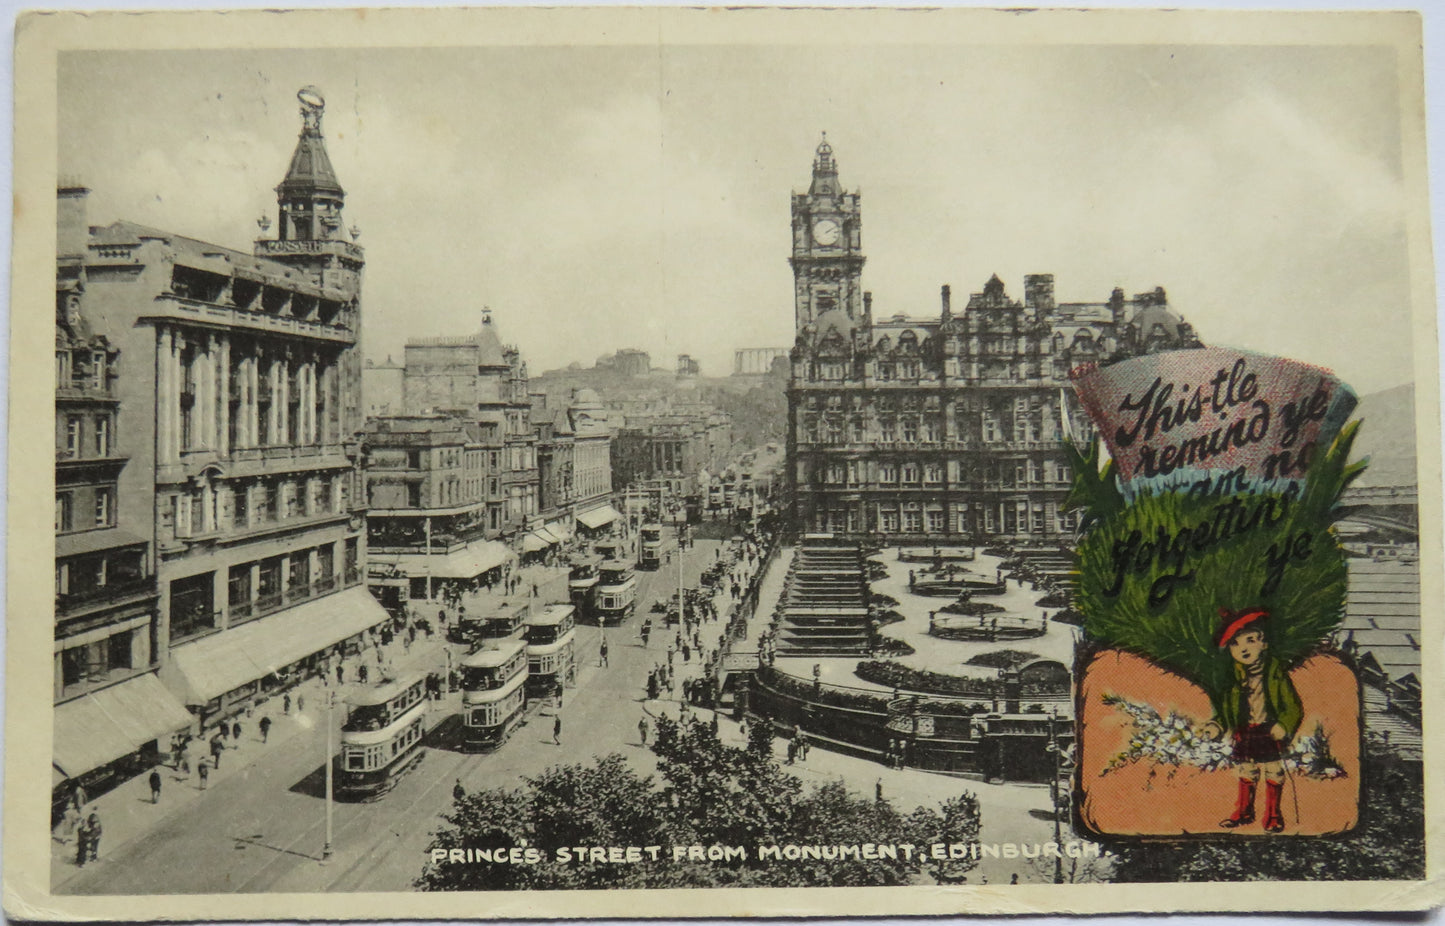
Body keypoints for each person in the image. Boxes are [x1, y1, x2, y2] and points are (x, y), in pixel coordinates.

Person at [1201, 608, 1302, 833]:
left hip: (1269, 729)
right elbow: (1225, 708)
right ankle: (1244, 812)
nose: (1244, 648)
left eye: (1250, 640)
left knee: (1274, 769)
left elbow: (1293, 706)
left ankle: (1274, 815)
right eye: (1235, 644)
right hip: (1245, 730)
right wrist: (1216, 724)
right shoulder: (1233, 678)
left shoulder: (1275, 673)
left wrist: (1284, 725)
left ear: (1264, 644)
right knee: (1247, 770)